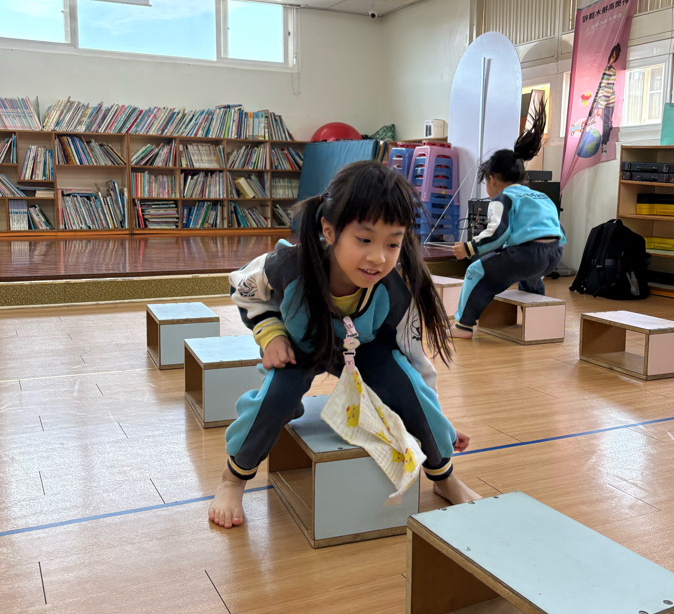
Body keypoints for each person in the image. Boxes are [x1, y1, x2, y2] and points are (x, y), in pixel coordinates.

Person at [209, 159, 480, 528]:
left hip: (366, 350)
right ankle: (233, 479)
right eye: (364, 239)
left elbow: (417, 361)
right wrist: (271, 334)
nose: (378, 257)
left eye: (393, 243)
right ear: (329, 229)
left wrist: (437, 422)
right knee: (274, 400)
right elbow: (242, 288)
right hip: (301, 347)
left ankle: (445, 479)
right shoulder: (289, 264)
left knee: (413, 394)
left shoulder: (398, 289)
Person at [451, 101, 565, 338]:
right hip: (554, 254)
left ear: (492, 179)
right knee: (531, 277)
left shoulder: (503, 198)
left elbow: (496, 235)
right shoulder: (540, 195)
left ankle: (463, 326)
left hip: (527, 255)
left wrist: (468, 248)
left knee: (475, 271)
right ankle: (539, 323)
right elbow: (558, 228)